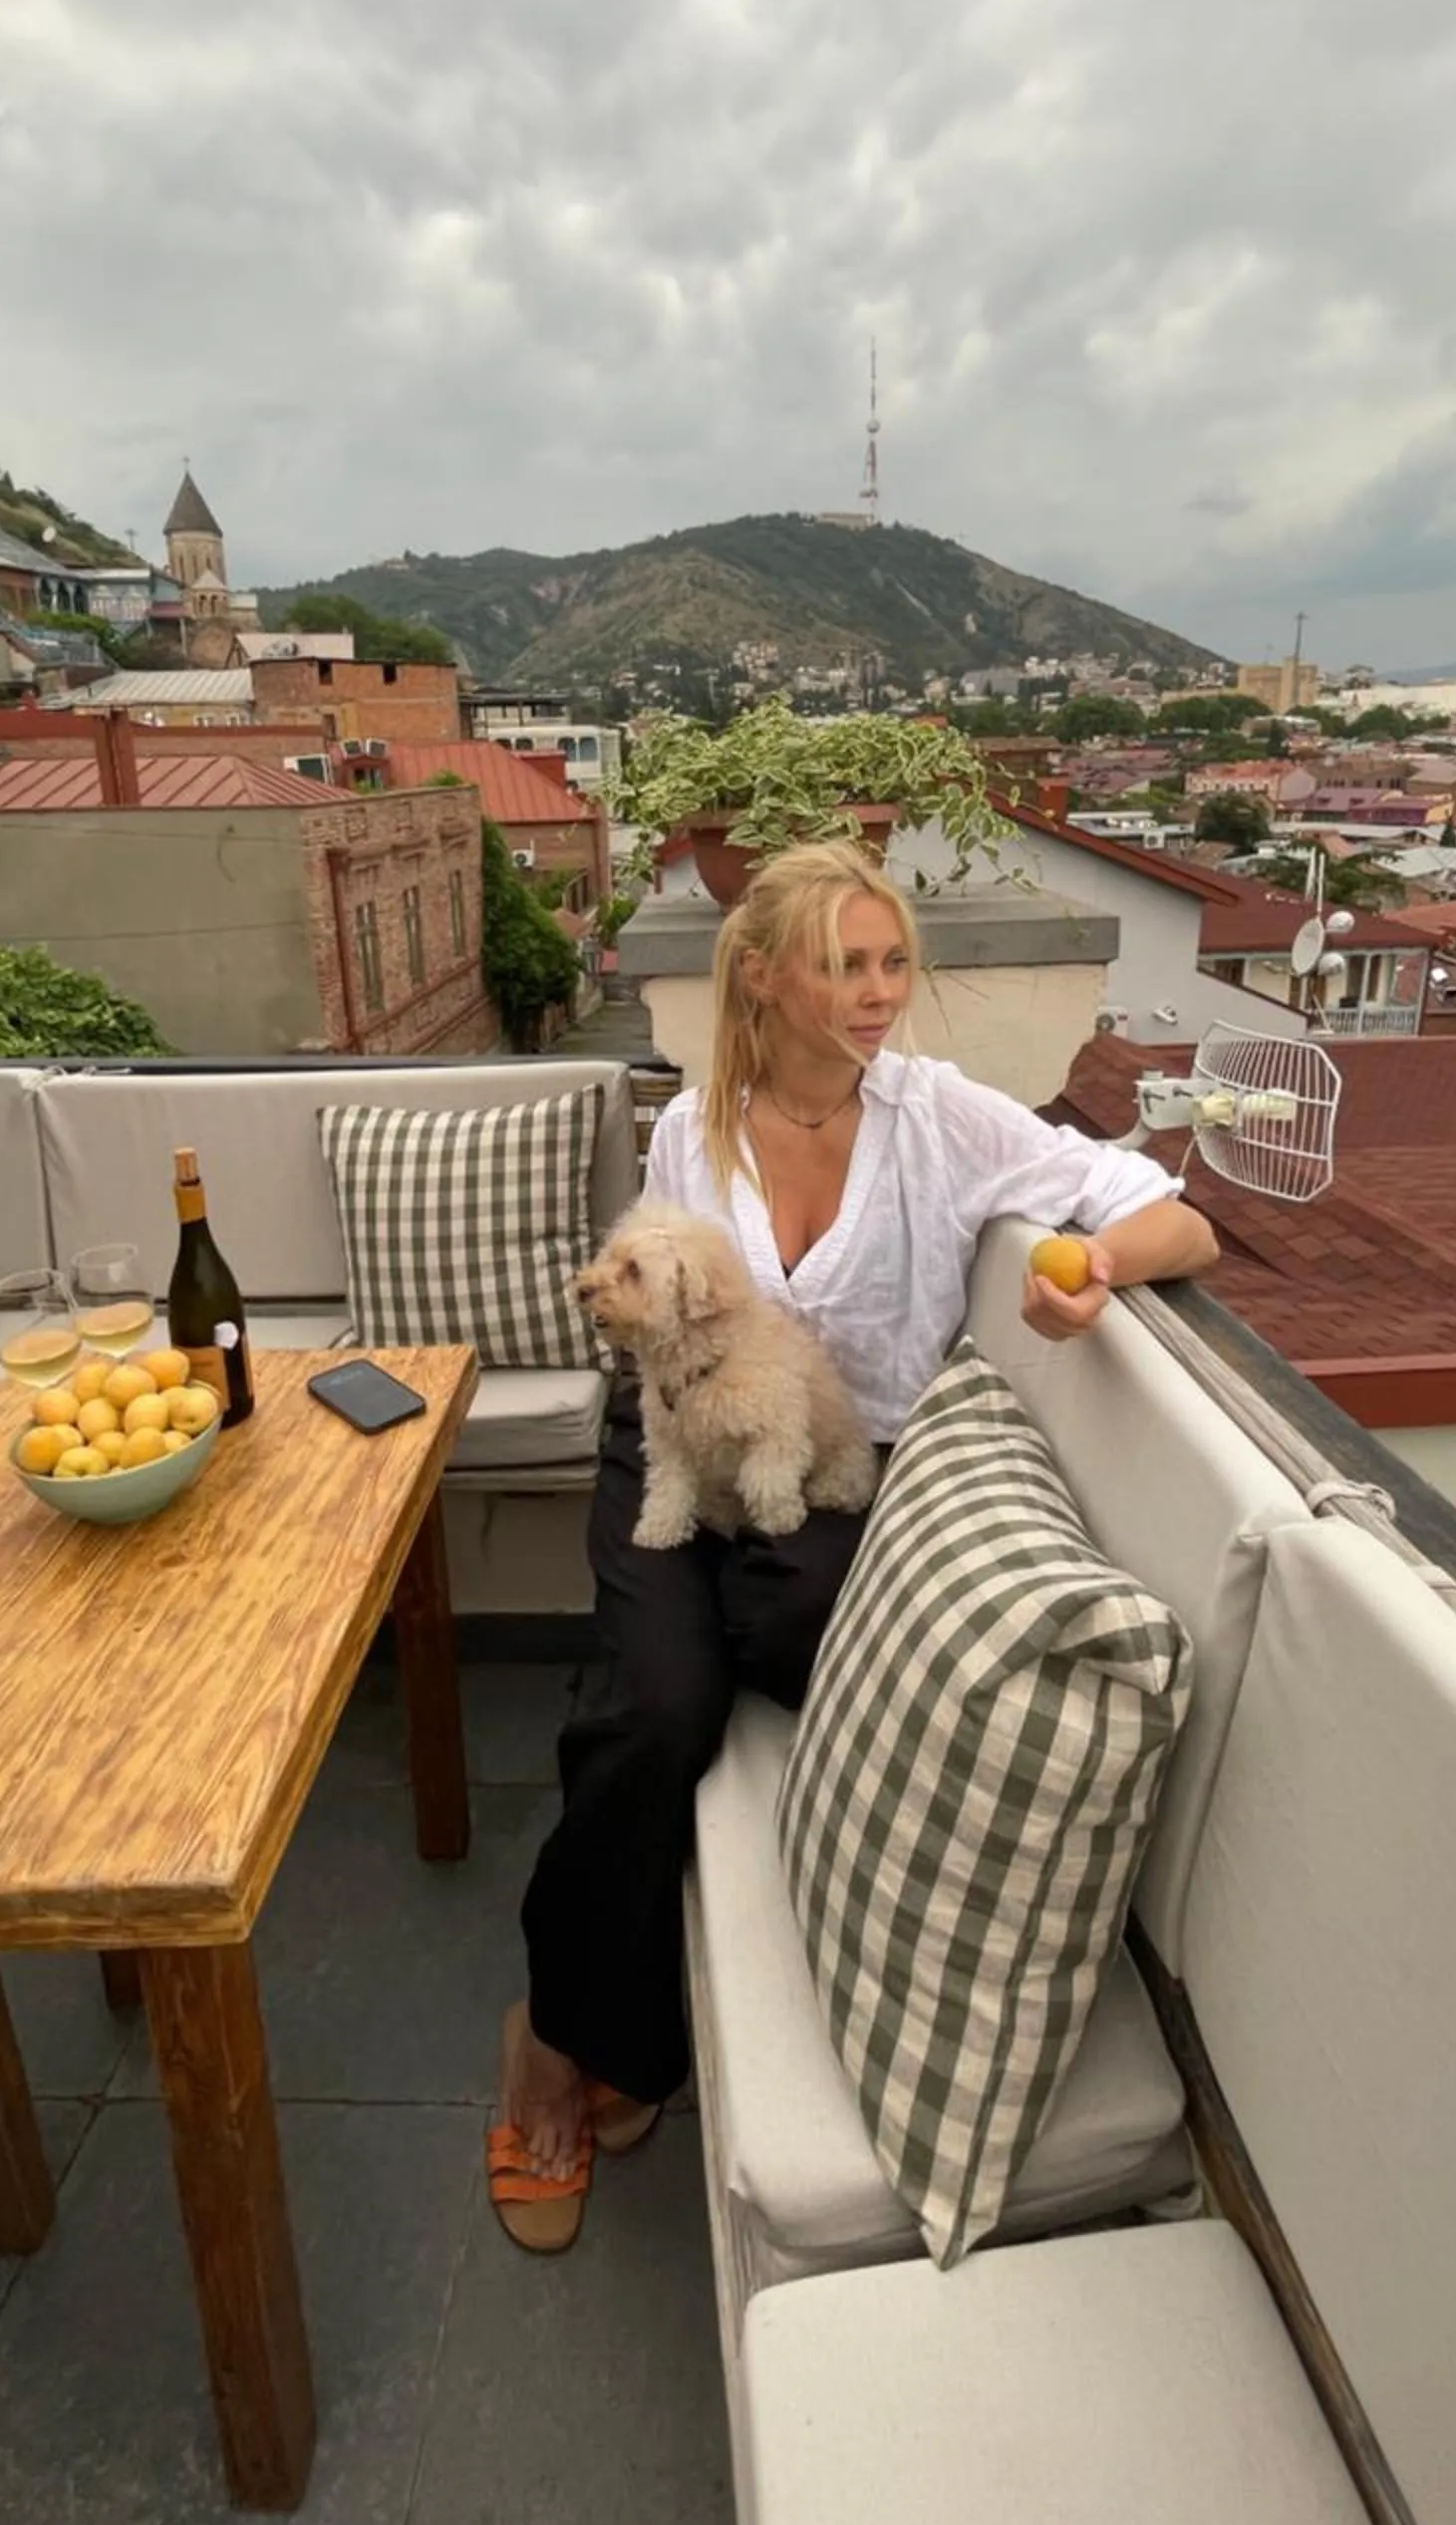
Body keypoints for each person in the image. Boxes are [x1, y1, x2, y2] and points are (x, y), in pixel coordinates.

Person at [486, 840, 1218, 2249]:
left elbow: (1165, 1212)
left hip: (828, 1474)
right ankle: (569, 2034)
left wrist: (1097, 1276)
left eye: (892, 964)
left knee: (792, 1638)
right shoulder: (685, 1134)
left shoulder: (944, 1121)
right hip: (675, 1450)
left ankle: (753, 1935)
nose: (879, 994)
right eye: (845, 964)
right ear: (761, 975)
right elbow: (645, 1320)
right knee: (654, 1708)